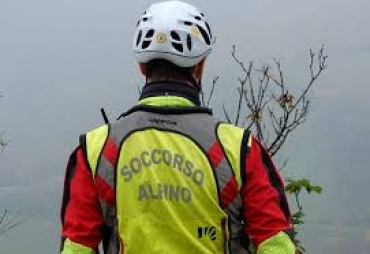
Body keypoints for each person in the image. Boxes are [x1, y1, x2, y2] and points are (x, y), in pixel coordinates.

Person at [60, 1, 296, 253]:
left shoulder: (95, 151)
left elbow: (77, 248)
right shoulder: (240, 149)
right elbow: (276, 245)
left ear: (142, 66)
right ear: (200, 65)